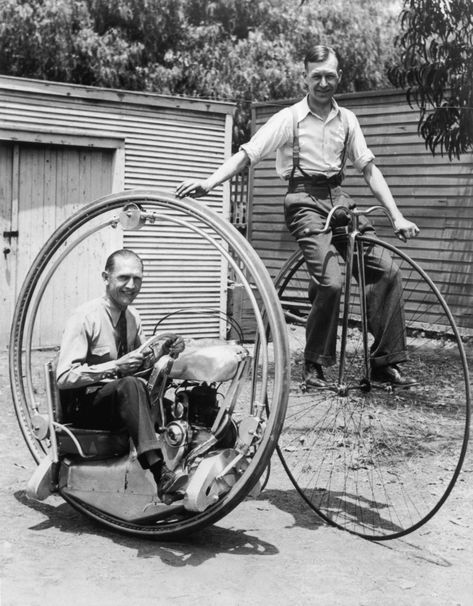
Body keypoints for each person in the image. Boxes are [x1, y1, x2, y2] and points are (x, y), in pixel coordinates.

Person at [176, 44, 420, 388]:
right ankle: (315, 365)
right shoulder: (288, 118)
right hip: (303, 200)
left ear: (339, 76)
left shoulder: (347, 120)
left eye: (330, 75)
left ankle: (383, 362)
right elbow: (247, 154)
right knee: (331, 281)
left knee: (387, 269)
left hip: (338, 199)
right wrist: (209, 182)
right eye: (316, 76)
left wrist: (396, 216)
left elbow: (369, 169)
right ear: (304, 78)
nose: (323, 83)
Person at [56, 248, 186, 500]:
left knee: (177, 408)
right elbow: (64, 378)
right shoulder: (85, 317)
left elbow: (141, 364)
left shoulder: (133, 316)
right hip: (86, 407)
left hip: (121, 400)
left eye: (137, 279)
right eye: (123, 278)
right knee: (129, 385)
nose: (131, 285)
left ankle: (194, 464)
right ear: (106, 277)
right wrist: (115, 366)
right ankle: (160, 473)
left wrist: (164, 351)